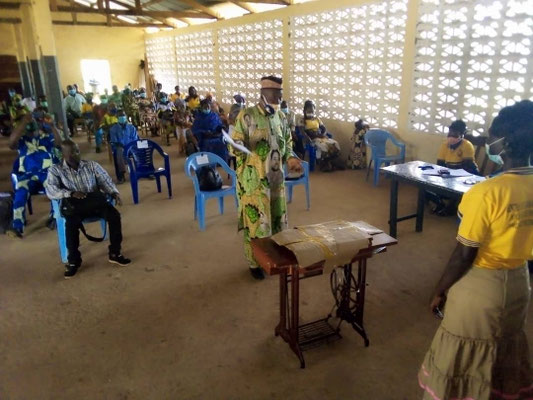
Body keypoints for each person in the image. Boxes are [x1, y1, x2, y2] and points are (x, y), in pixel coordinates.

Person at [418, 100, 533, 400]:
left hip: (482, 289)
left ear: (504, 144)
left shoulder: (486, 192)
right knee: (503, 351)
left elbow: (464, 254)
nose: (487, 142)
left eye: (491, 137)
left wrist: (439, 290)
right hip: (520, 283)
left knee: (465, 354)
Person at [231, 76, 293, 280]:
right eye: (276, 94)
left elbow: (288, 142)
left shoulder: (280, 117)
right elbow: (234, 146)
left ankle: (272, 257)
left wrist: (291, 157)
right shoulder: (246, 115)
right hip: (253, 183)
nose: (279, 98)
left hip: (275, 180)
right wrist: (240, 146)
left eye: (280, 94)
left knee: (276, 219)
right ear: (264, 94)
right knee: (255, 223)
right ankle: (253, 263)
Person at [45, 140, 131, 278]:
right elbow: (51, 190)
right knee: (71, 225)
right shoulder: (56, 170)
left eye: (77, 151)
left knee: (114, 216)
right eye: (71, 152)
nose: (76, 154)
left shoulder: (91, 165)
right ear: (63, 155)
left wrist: (114, 193)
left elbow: (105, 180)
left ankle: (115, 252)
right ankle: (74, 261)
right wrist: (71, 193)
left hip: (94, 203)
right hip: (75, 206)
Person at [6, 113, 62, 238]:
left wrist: (52, 126)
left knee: (54, 186)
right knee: (21, 190)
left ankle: (54, 217)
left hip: (47, 173)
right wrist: (23, 122)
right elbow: (11, 143)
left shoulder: (46, 138)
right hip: (27, 175)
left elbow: (59, 143)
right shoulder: (22, 140)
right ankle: (17, 226)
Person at [299, 100, 343, 172]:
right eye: (309, 111)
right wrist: (308, 138)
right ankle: (325, 164)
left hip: (321, 137)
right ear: (304, 111)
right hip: (312, 138)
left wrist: (323, 134)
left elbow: (324, 128)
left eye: (312, 111)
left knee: (335, 143)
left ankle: (329, 163)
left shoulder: (317, 119)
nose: (311, 113)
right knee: (323, 147)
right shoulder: (302, 120)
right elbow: (302, 131)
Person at [110, 110, 139, 183]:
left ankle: (142, 170)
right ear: (117, 118)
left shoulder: (131, 127)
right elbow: (114, 141)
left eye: (123, 115)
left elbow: (135, 139)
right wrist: (122, 146)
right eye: (120, 116)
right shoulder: (113, 129)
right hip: (120, 147)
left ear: (126, 117)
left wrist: (130, 146)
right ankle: (121, 174)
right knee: (119, 152)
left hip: (131, 146)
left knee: (140, 149)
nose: (122, 117)